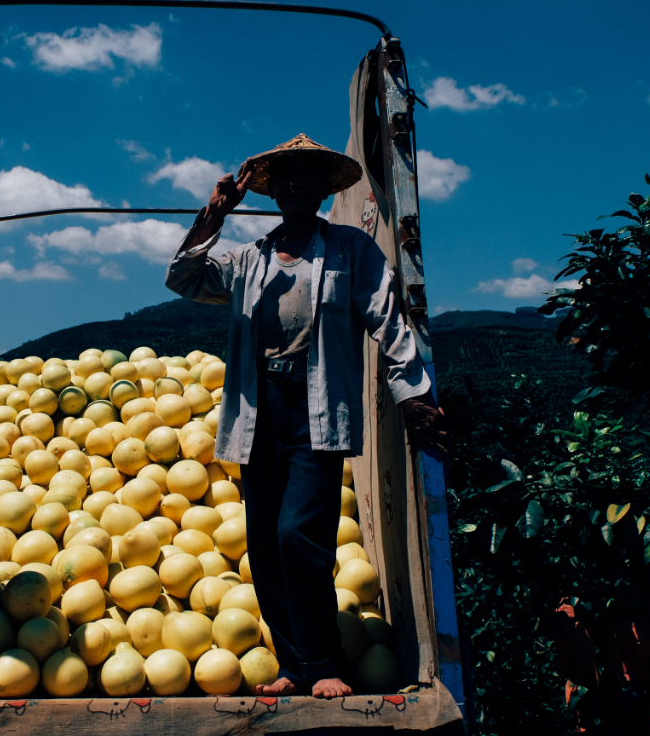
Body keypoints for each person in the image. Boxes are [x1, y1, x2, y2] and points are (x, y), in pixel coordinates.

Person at [165, 133, 448, 699]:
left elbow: (387, 320)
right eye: (285, 176)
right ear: (271, 193)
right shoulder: (250, 257)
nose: (296, 183)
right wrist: (216, 212)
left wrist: (412, 394)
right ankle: (294, 663)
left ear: (323, 190)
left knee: (301, 536)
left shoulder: (350, 250)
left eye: (308, 175)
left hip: (318, 407)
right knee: (266, 545)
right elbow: (184, 278)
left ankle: (323, 665)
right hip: (257, 408)